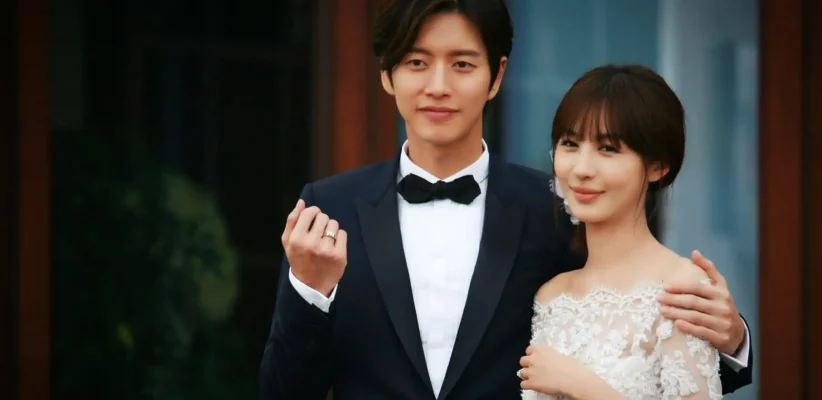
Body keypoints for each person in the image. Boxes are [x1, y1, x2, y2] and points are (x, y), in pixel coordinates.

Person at [259, 1, 753, 399]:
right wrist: (310, 292)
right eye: (416, 63)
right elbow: (283, 392)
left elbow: (646, 341)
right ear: (387, 75)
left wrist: (734, 340)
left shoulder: (557, 207)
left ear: (496, 77)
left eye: (462, 64)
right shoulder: (330, 209)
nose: (438, 86)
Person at [517, 65, 730, 399]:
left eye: (608, 149)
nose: (582, 169)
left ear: (658, 166)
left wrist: (582, 386)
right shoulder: (550, 297)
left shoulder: (681, 291)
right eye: (570, 143)